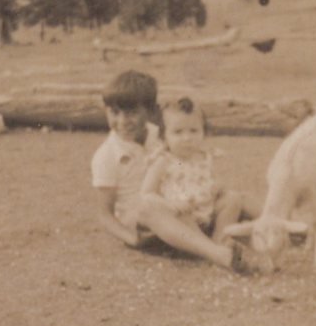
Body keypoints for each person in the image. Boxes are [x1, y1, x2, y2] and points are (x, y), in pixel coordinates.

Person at [92, 70, 260, 273]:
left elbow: (185, 161)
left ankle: (280, 225)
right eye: (114, 113)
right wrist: (131, 238)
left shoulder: (162, 133)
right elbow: (105, 214)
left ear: (151, 112)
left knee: (234, 197)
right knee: (149, 207)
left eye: (132, 113)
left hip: (181, 206)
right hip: (146, 219)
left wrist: (206, 187)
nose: (122, 121)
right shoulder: (106, 156)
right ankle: (217, 253)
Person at [141, 96, 256, 244]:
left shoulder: (204, 157)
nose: (187, 138)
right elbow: (147, 194)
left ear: (203, 132)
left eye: (194, 131)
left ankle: (220, 237)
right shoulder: (163, 161)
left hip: (208, 213)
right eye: (178, 132)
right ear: (164, 137)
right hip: (182, 218)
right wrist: (171, 205)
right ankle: (206, 246)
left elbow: (215, 181)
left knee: (233, 198)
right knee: (180, 217)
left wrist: (218, 187)